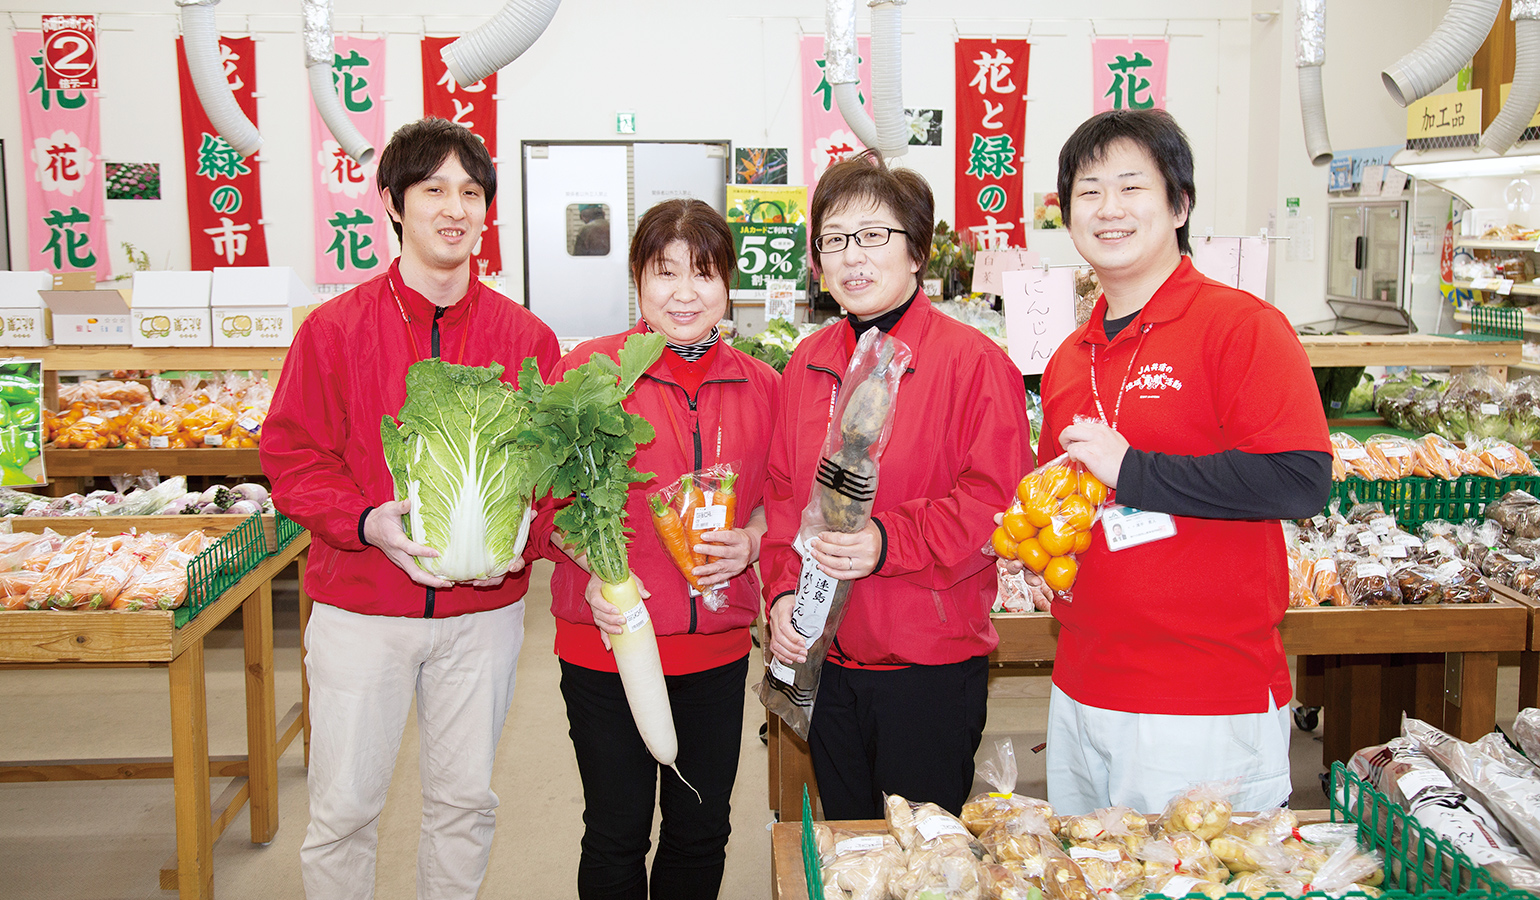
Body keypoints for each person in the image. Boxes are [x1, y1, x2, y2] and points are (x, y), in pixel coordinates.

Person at [262, 118, 561, 900]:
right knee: (344, 811)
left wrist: (528, 537)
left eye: (470, 192)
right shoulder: (333, 330)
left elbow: (550, 474)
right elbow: (292, 459)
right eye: (433, 190)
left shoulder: (525, 336)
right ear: (394, 203)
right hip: (363, 606)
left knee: (464, 806)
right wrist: (365, 522)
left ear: (487, 210)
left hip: (483, 616)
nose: (453, 208)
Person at [1034, 109, 1331, 815]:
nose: (1109, 208)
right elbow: (1070, 498)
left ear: (1180, 204)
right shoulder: (1068, 360)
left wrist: (1134, 470)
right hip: (1080, 682)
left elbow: (1300, 478)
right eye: (1088, 190)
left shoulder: (1241, 327)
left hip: (1199, 695)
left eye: (1132, 187)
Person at [762, 151, 1030, 820]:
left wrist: (888, 540)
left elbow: (995, 503)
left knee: (924, 865)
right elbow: (780, 499)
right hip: (824, 662)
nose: (851, 257)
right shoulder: (807, 363)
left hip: (927, 667)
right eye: (833, 240)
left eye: (873, 235)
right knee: (853, 847)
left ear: (917, 250)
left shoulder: (973, 364)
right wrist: (780, 595)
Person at [530, 198, 779, 900]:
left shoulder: (763, 386)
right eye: (664, 272)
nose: (684, 292)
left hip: (717, 652)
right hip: (606, 648)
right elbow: (538, 503)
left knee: (702, 831)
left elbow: (784, 501)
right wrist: (583, 569)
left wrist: (754, 539)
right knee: (616, 831)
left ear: (727, 284)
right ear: (638, 280)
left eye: (703, 272)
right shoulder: (592, 372)